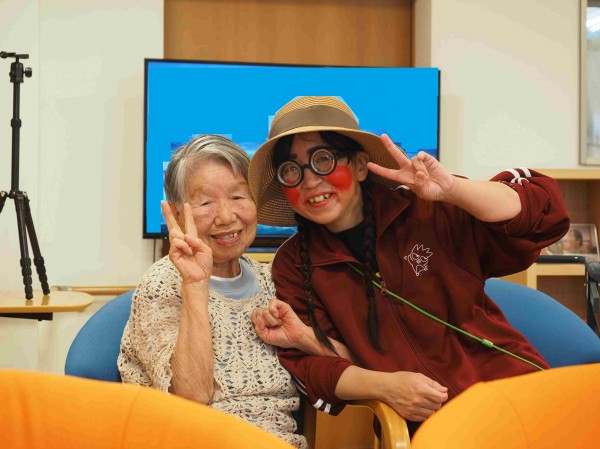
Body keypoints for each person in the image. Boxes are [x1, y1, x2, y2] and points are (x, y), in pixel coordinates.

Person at [247, 96, 570, 433]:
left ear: (360, 166)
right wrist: (385, 386)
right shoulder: (293, 265)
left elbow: (544, 216)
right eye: (291, 169)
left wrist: (453, 190)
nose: (310, 180)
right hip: (430, 427)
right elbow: (315, 369)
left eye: (323, 159)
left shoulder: (425, 210)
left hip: (516, 394)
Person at [118, 134, 349, 449]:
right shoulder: (163, 283)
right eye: (205, 203)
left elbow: (355, 362)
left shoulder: (276, 279)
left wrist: (302, 337)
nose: (226, 216)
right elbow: (191, 398)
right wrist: (195, 285)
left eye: (239, 196)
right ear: (176, 213)